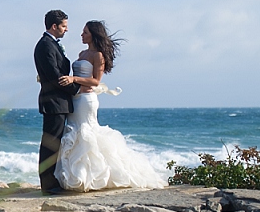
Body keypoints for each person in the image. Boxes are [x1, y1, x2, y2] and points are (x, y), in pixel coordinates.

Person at [55, 20, 167, 191]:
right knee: (75, 132)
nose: (81, 35)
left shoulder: (98, 56)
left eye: (85, 32)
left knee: (86, 132)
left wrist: (73, 79)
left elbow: (95, 81)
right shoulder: (82, 53)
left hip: (86, 100)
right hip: (75, 98)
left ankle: (95, 176)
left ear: (93, 34)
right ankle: (79, 175)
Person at [33, 10, 81, 195]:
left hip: (59, 101)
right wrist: (76, 89)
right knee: (50, 143)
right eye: (64, 27)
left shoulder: (51, 44)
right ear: (54, 26)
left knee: (56, 142)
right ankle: (48, 184)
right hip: (54, 101)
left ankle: (53, 179)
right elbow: (55, 76)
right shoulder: (45, 45)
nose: (66, 30)